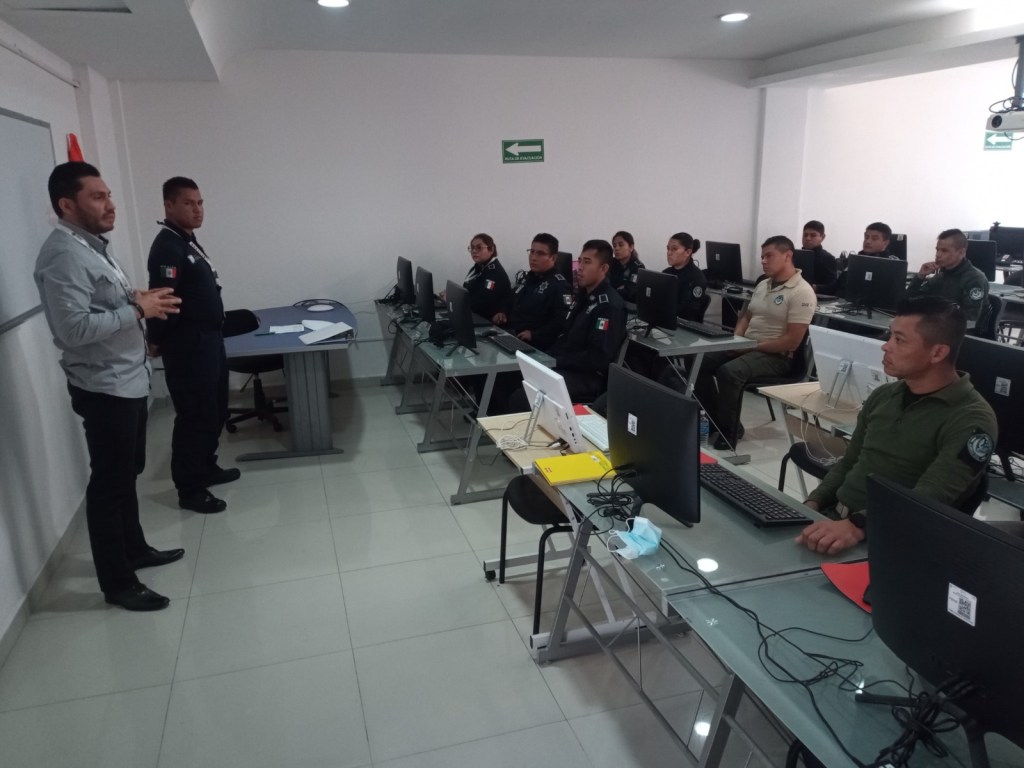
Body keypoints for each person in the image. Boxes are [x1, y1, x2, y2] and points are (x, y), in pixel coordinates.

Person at [34, 161, 184, 612]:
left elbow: (100, 304)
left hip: (127, 379)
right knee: (110, 484)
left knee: (127, 473)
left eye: (109, 195)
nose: (110, 204)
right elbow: (73, 330)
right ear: (67, 205)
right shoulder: (64, 255)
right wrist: (138, 311)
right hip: (104, 388)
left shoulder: (92, 246)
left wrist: (135, 298)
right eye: (97, 197)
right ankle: (117, 583)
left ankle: (134, 550)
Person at [796, 297, 998, 556]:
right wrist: (812, 503)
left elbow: (929, 497)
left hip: (895, 541)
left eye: (899, 340)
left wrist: (857, 526)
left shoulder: (972, 420)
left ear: (938, 353)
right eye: (890, 336)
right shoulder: (884, 395)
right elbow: (849, 462)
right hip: (838, 522)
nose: (886, 346)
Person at [147, 177, 237, 514]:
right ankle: (190, 488)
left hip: (209, 340)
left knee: (215, 408)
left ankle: (206, 466)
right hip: (188, 345)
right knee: (195, 415)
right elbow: (163, 298)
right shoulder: (167, 248)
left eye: (200, 203)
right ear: (169, 205)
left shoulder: (187, 241)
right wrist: (155, 339)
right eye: (188, 203)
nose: (197, 210)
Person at [692, 236, 816, 450]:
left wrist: (748, 346)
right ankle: (714, 421)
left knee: (729, 372)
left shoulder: (802, 292)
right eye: (762, 257)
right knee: (698, 360)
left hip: (777, 356)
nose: (763, 261)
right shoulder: (763, 284)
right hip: (748, 346)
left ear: (787, 256)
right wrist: (736, 340)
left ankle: (729, 432)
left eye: (769, 256)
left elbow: (792, 341)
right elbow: (747, 317)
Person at [502, 239, 626, 411]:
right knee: (509, 376)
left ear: (603, 269)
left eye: (587, 262)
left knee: (522, 397)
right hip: (566, 364)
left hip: (586, 376)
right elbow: (565, 336)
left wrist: (556, 361)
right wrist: (546, 358)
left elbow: (597, 358)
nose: (580, 267)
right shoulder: (583, 296)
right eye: (580, 261)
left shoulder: (609, 306)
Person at [492, 233, 571, 350]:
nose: (533, 257)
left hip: (533, 345)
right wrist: (502, 312)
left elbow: (561, 322)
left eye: (540, 253)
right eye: (532, 252)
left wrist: (534, 335)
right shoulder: (529, 277)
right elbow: (511, 299)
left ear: (553, 258)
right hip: (510, 334)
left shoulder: (559, 286)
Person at [905, 228, 990, 330]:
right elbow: (909, 302)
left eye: (944, 251)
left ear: (961, 253)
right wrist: (920, 277)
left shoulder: (974, 279)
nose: (938, 255)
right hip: (937, 326)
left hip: (960, 333)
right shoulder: (941, 275)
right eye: (937, 250)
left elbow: (970, 320)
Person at [462, 233, 512, 322]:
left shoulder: (494, 273)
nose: (474, 251)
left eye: (479, 247)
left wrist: (456, 300)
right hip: (474, 314)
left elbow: (482, 302)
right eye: (472, 247)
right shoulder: (478, 267)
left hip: (487, 320)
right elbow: (467, 289)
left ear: (491, 250)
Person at [663, 232, 708, 322]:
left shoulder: (696, 278)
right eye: (668, 249)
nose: (669, 253)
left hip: (683, 325)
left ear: (688, 252)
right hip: (664, 319)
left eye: (674, 249)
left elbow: (687, 313)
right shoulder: (666, 273)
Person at [801, 220, 838, 294]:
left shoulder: (827, 258)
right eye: (805, 235)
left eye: (813, 235)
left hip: (816, 296)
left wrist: (816, 287)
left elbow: (833, 286)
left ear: (822, 237)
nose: (808, 238)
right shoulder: (794, 254)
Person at [610, 230, 644, 304]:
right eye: (614, 246)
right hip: (612, 301)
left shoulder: (638, 267)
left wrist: (611, 289)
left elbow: (629, 292)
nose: (616, 248)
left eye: (621, 245)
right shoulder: (611, 263)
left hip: (630, 305)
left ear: (631, 247)